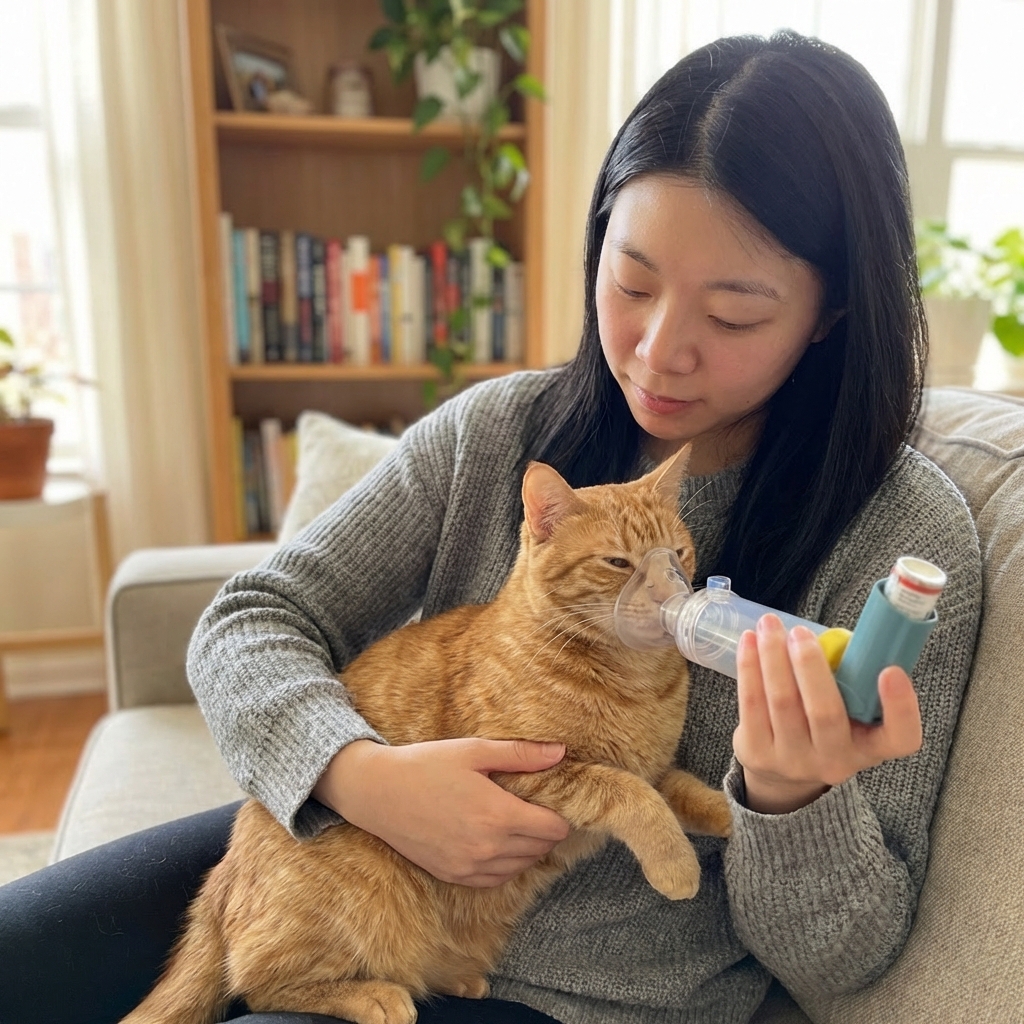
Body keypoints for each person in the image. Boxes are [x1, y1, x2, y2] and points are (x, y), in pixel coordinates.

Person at [0, 30, 982, 1024]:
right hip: (357, 843)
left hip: (563, 996)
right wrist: (367, 778)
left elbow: (843, 961)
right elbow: (252, 617)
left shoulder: (901, 547)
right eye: (631, 279)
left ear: (830, 312)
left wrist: (786, 800)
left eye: (731, 316)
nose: (655, 351)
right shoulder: (502, 432)